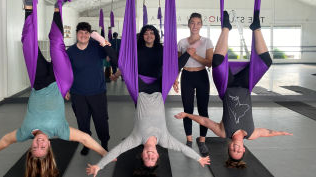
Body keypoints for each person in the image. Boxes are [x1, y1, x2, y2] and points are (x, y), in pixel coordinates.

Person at [0, 0, 107, 176]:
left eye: (35, 147)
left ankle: (28, 8)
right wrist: (104, 153)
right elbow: (84, 138)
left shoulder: (24, 132)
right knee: (56, 43)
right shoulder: (61, 131)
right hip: (61, 82)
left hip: (39, 81)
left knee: (28, 43)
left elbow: (5, 140)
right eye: (43, 147)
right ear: (49, 145)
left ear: (31, 146)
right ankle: (58, 8)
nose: (39, 143)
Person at [86, 25, 210, 177]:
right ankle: (190, 52)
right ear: (158, 155)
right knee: (172, 71)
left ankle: (103, 43)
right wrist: (199, 158)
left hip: (141, 91)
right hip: (158, 90)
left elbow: (117, 150)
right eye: (153, 158)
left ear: (142, 155)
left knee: (123, 66)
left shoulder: (136, 139)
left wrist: (99, 166)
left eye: (147, 158)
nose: (150, 155)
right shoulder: (165, 140)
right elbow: (183, 149)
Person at [175, 11, 292, 169]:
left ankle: (226, 28)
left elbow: (205, 120)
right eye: (238, 151)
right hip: (245, 85)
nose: (235, 148)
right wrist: (281, 133)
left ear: (229, 147)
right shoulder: (252, 134)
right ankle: (256, 28)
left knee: (217, 62)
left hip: (226, 85)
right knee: (266, 61)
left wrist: (186, 114)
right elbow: (267, 132)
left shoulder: (223, 133)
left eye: (232, 150)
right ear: (243, 149)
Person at [66, 22, 111, 155]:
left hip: (97, 92)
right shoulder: (70, 52)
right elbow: (66, 72)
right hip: (78, 94)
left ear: (90, 35)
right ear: (76, 34)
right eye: (81, 32)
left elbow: (110, 54)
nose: (83, 35)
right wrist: (66, 89)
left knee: (101, 121)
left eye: (86, 33)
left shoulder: (96, 47)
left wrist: (102, 40)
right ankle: (86, 143)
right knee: (82, 122)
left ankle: (104, 143)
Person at [174, 13, 213, 156]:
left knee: (203, 110)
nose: (195, 26)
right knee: (187, 110)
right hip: (187, 77)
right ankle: (189, 140)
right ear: (188, 24)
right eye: (192, 23)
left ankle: (202, 140)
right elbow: (178, 64)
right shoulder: (182, 42)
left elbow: (210, 62)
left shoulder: (207, 41)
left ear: (201, 25)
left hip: (201, 75)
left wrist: (193, 54)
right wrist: (175, 79)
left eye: (198, 23)